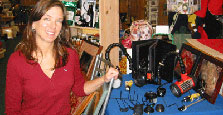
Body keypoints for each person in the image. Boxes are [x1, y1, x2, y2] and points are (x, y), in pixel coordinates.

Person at [5, 0, 119, 114]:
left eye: (58, 21)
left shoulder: (70, 55)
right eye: (47, 19)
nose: (53, 26)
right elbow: (12, 110)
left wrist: (104, 79)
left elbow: (79, 89)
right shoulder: (17, 61)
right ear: (33, 24)